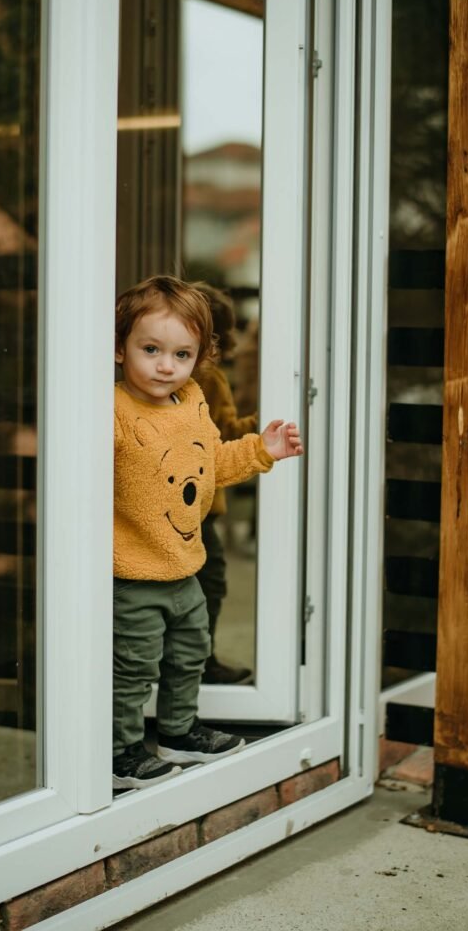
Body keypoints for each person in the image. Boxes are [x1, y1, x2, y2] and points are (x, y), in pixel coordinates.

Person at [113, 275, 303, 790]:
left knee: (190, 653)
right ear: (118, 347)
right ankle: (121, 751)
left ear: (200, 357)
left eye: (182, 354)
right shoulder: (111, 410)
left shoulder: (192, 399)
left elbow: (210, 462)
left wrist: (262, 450)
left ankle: (177, 732)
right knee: (133, 668)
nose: (165, 366)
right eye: (150, 349)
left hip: (184, 566)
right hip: (132, 571)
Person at [193, 283, 257, 685]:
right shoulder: (209, 379)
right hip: (196, 507)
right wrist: (262, 425)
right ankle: (202, 662)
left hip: (179, 504)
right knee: (210, 582)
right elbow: (223, 436)